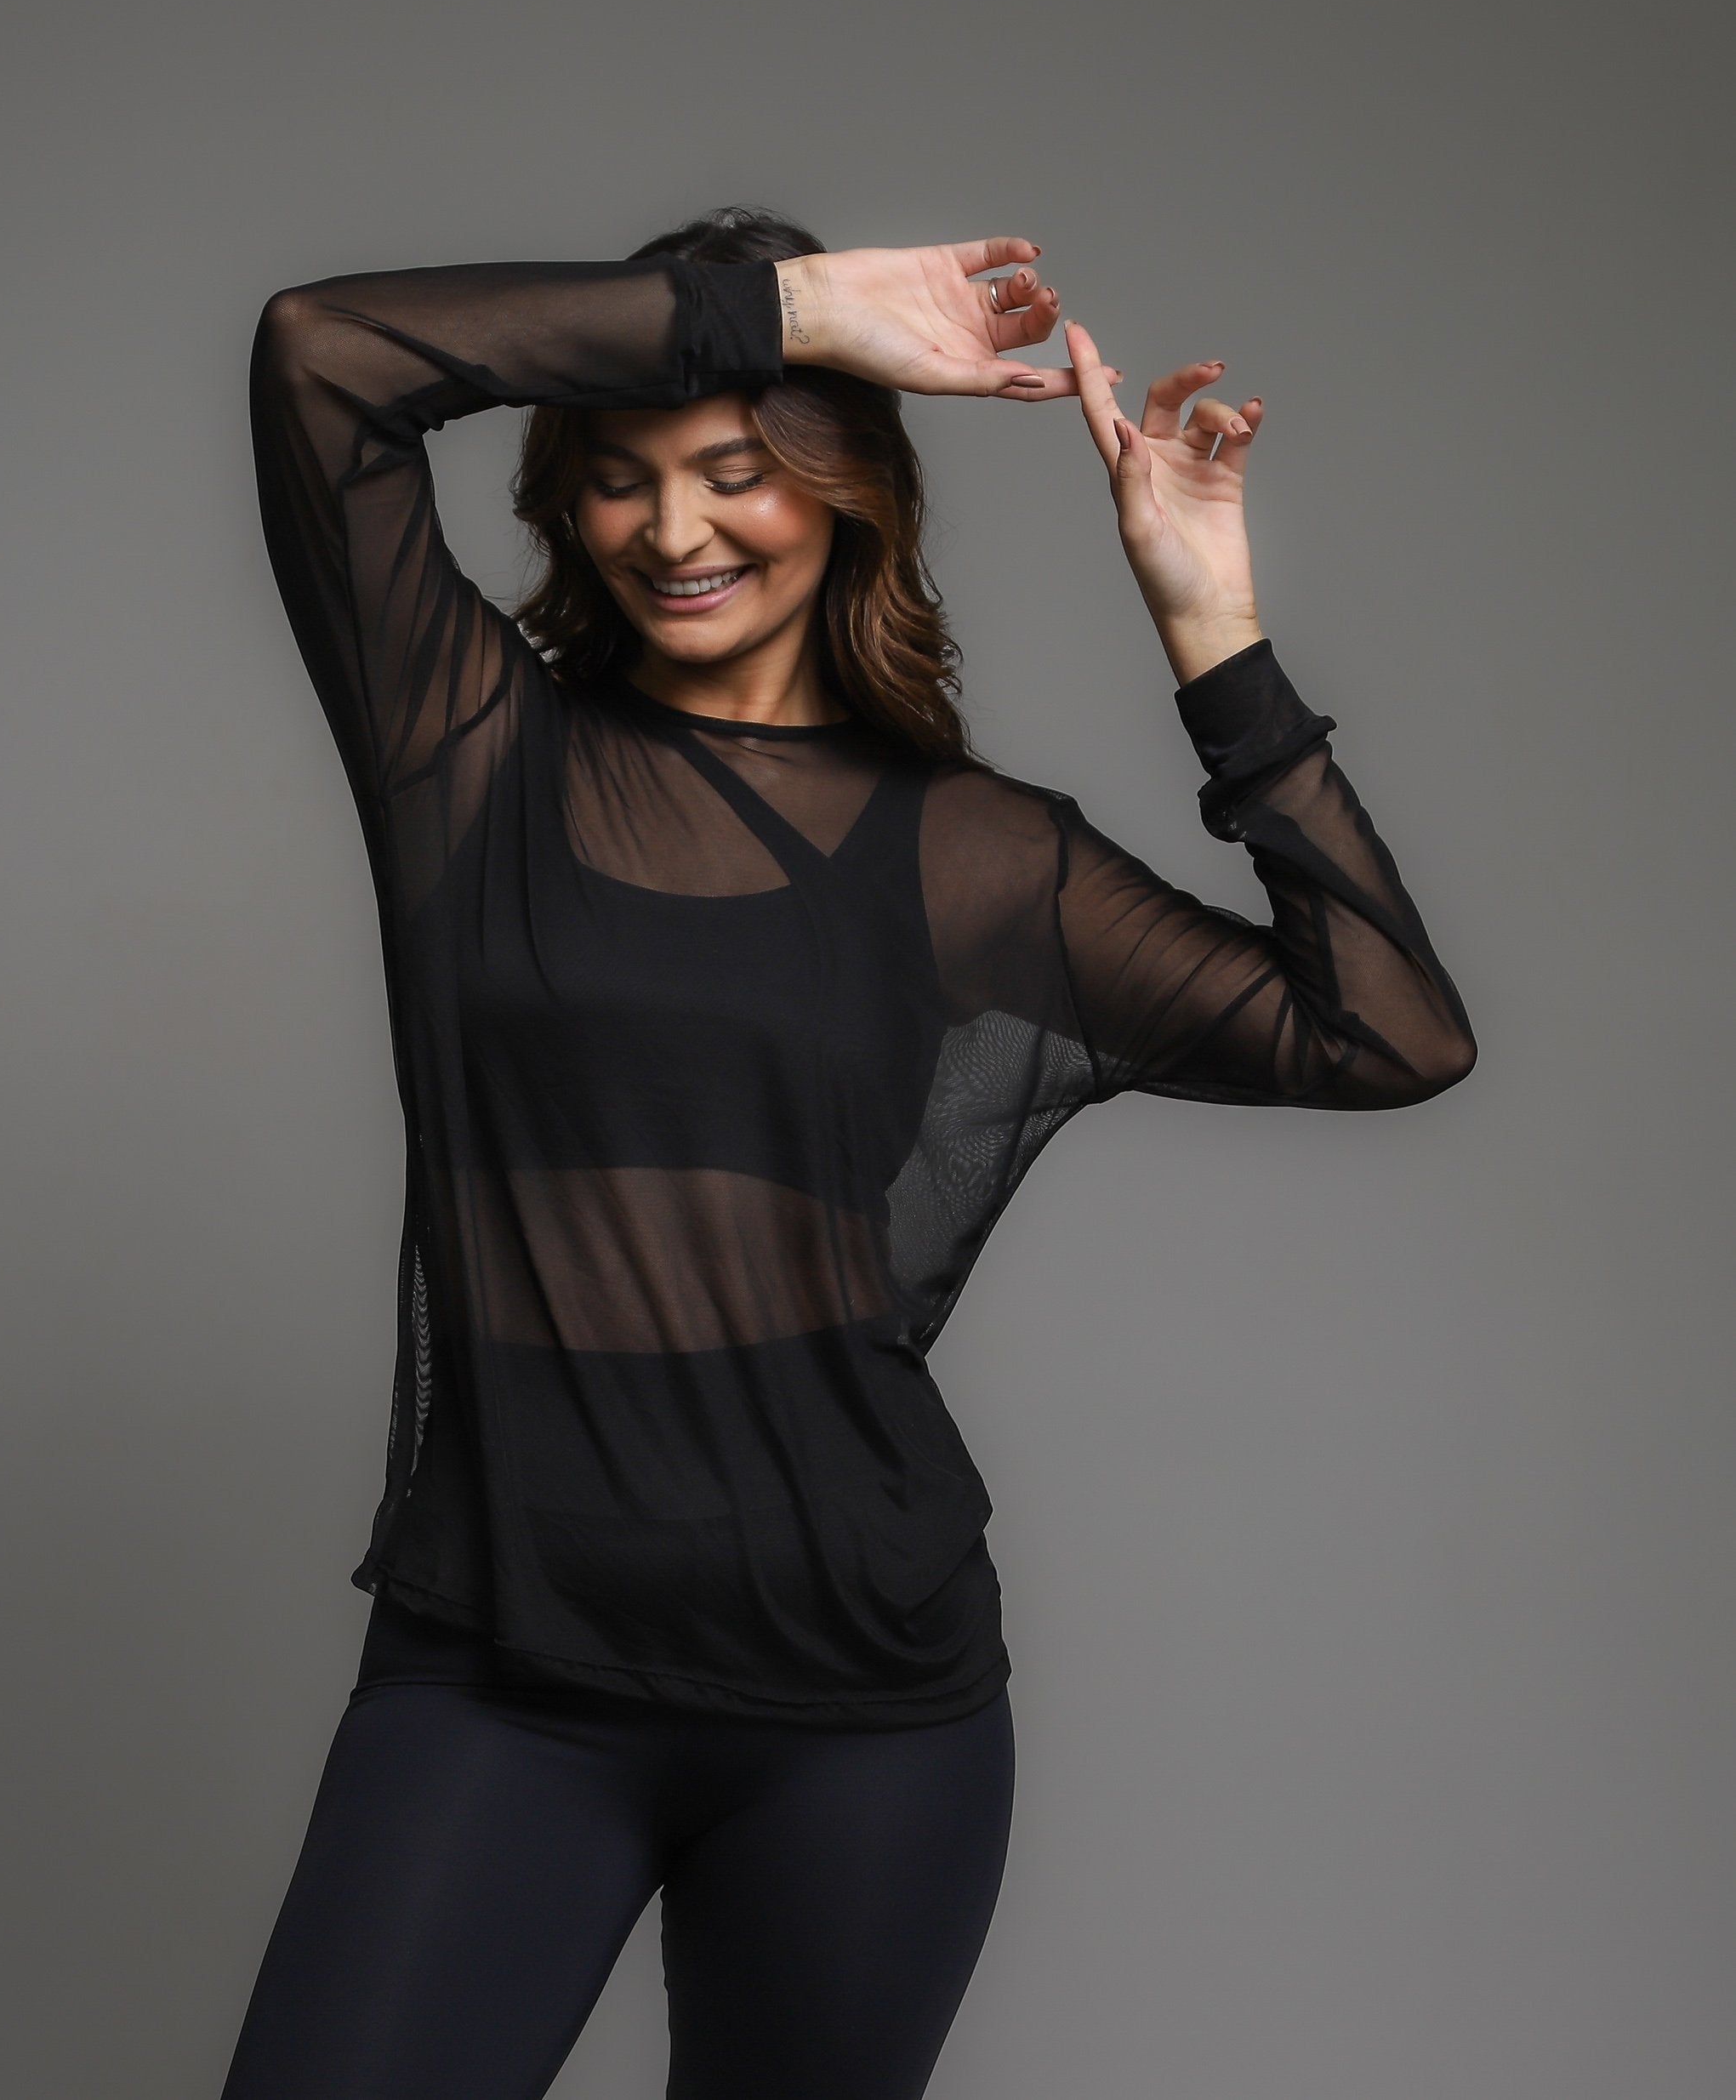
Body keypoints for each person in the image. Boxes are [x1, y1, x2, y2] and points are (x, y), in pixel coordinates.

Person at [219, 206, 1475, 2100]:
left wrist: (1209, 627)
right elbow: (322, 355)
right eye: (620, 477)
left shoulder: (974, 855)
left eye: (738, 470)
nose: (675, 528)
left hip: (866, 1713)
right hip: (500, 1674)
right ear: (565, 506)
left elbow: (1388, 1033)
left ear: (845, 497)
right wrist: (790, 310)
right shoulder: (467, 756)